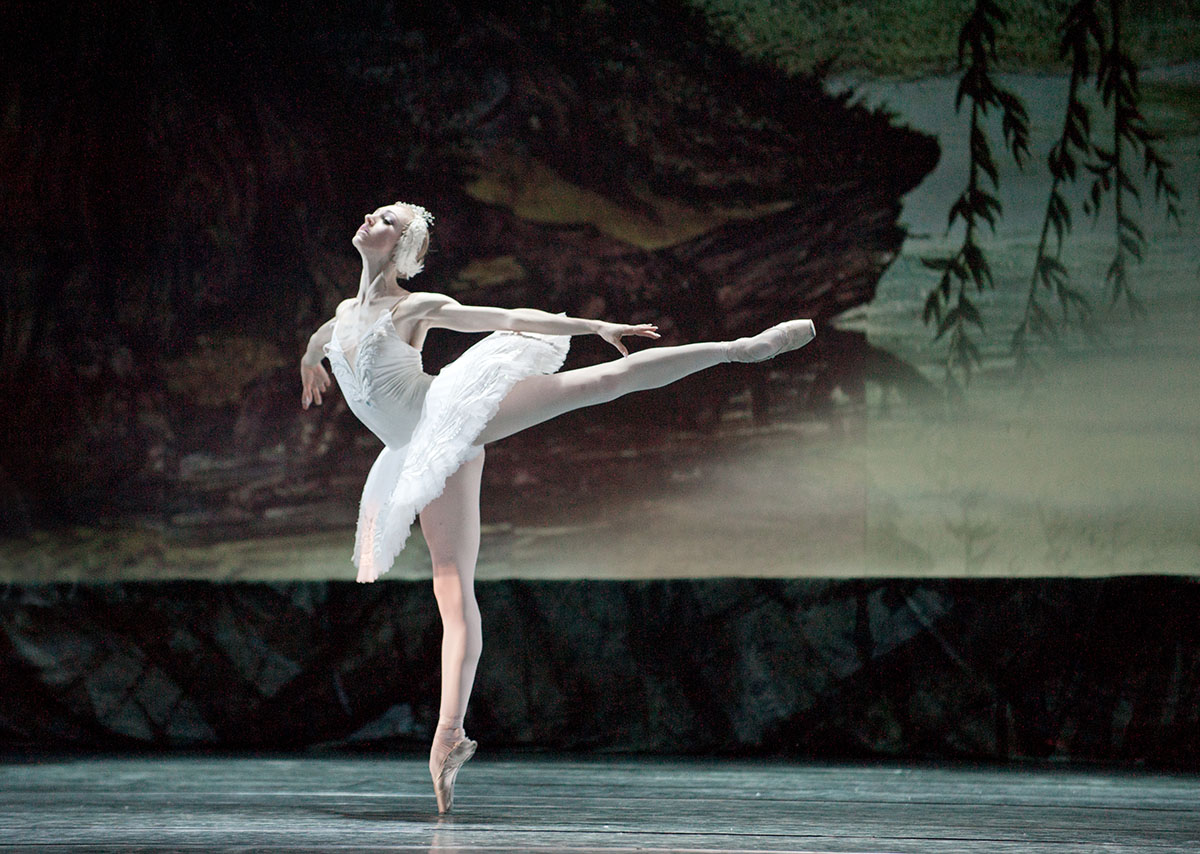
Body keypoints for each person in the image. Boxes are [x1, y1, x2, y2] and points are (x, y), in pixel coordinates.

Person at [300, 201, 815, 814]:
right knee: (450, 587)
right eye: (371, 212)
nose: (368, 218)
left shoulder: (415, 307)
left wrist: (592, 329)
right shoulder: (338, 319)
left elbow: (510, 315)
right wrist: (311, 361)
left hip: (449, 413)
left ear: (402, 245)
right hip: (418, 452)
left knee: (595, 384)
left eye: (386, 218)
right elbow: (322, 340)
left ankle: (739, 348)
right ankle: (449, 735)